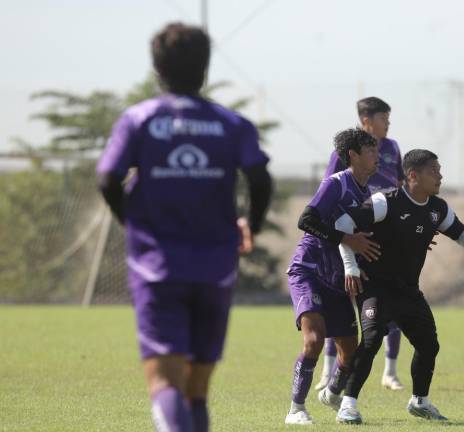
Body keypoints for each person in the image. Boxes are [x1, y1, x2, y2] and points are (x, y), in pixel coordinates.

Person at [96, 22, 272, 432]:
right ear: (205, 69)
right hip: (216, 267)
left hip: (157, 266)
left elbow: (107, 179)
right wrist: (253, 225)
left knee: (164, 381)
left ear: (157, 69)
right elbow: (260, 179)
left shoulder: (139, 119)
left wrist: (130, 220)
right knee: (196, 389)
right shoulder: (232, 123)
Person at [334, 149, 464, 424]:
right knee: (370, 342)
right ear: (413, 175)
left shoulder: (437, 208)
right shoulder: (385, 202)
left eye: (439, 171)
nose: (440, 176)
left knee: (429, 344)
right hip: (375, 287)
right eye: (434, 171)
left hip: (407, 290)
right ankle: (347, 404)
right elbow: (343, 226)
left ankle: (419, 401)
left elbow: (459, 234)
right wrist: (351, 267)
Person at [284, 128, 382, 425]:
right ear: (352, 155)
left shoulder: (367, 193)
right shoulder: (336, 185)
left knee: (351, 353)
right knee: (313, 341)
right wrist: (346, 239)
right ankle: (296, 409)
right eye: (371, 151)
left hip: (337, 279)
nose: (378, 156)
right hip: (309, 269)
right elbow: (307, 220)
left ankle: (331, 393)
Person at [315, 96, 407, 392]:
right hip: (354, 232)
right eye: (384, 119)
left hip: (386, 233)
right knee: (342, 300)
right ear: (367, 121)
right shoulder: (348, 152)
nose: (388, 124)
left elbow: (401, 186)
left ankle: (390, 371)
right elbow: (330, 193)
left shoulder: (392, 148)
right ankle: (328, 371)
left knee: (393, 298)